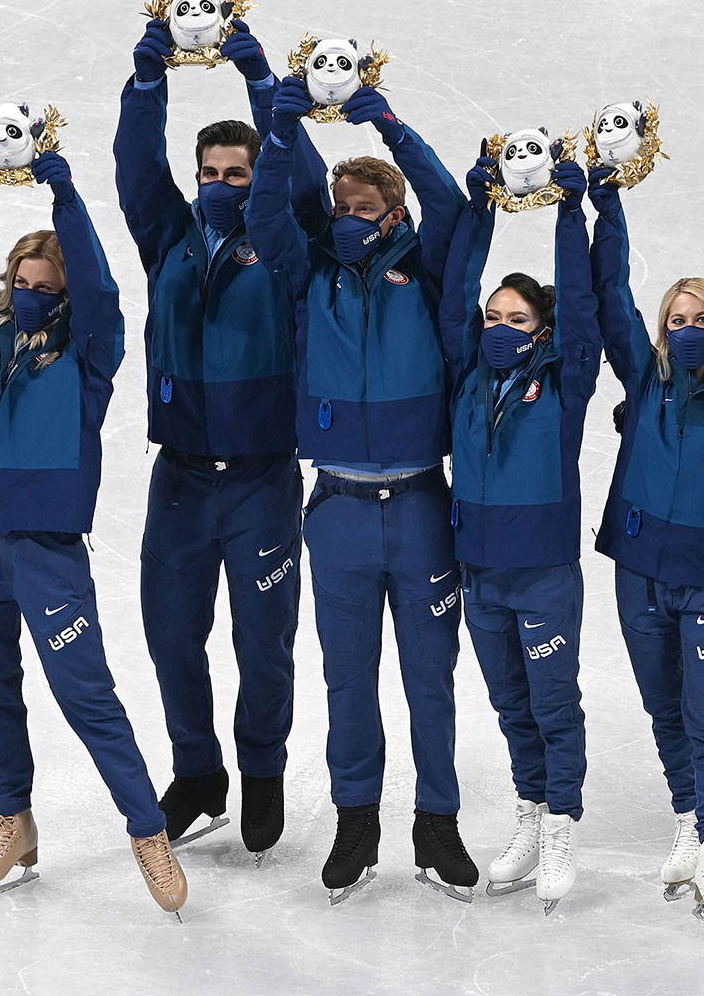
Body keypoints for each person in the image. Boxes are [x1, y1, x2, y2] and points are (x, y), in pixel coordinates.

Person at [0, 136, 185, 914]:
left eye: (46, 284)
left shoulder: (89, 355)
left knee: (87, 699)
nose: (30, 292)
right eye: (21, 281)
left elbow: (106, 291)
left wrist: (66, 202)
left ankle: (148, 830)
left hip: (45, 554)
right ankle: (12, 819)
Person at [249, 76, 472, 902]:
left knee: (430, 680)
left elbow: (451, 204)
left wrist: (387, 125)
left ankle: (438, 823)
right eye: (338, 200)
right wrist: (279, 134)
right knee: (348, 679)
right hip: (338, 507)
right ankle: (356, 821)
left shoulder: (433, 268)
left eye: (362, 201)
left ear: (393, 213)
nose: (345, 211)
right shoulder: (309, 274)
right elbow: (270, 214)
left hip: (420, 507)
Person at [113, 17, 327, 858]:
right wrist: (146, 83)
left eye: (236, 172)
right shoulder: (165, 236)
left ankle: (263, 772)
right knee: (171, 635)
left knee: (262, 644)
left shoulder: (283, 241)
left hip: (261, 481)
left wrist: (262, 81)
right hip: (181, 478)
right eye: (210, 172)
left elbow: (305, 182)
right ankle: (199, 773)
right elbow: (137, 170)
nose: (221, 182)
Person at [587, 168, 704, 935]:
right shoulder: (645, 381)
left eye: (702, 320)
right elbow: (610, 290)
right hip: (638, 572)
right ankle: (689, 813)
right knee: (663, 707)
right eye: (676, 318)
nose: (687, 328)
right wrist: (606, 206)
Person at [439, 153, 601, 914]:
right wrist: (480, 208)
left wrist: (571, 214)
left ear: (542, 330)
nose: (501, 328)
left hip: (542, 573)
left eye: (518, 320)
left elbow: (581, 302)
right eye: (493, 319)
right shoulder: (467, 377)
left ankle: (564, 822)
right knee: (509, 706)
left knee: (552, 704)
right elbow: (451, 298)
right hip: (479, 574)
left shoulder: (563, 384)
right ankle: (532, 813)